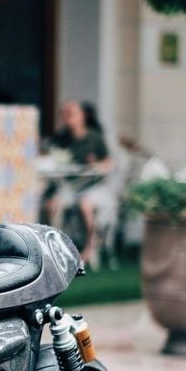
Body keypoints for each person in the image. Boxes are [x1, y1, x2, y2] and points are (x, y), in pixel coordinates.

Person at [42, 99, 111, 264]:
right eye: (65, 115)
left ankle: (89, 250)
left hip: (91, 186)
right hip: (69, 186)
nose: (69, 119)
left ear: (82, 116)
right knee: (53, 205)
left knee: (86, 206)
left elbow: (108, 163)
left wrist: (96, 165)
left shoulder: (94, 138)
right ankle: (55, 249)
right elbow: (50, 157)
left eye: (72, 114)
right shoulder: (61, 138)